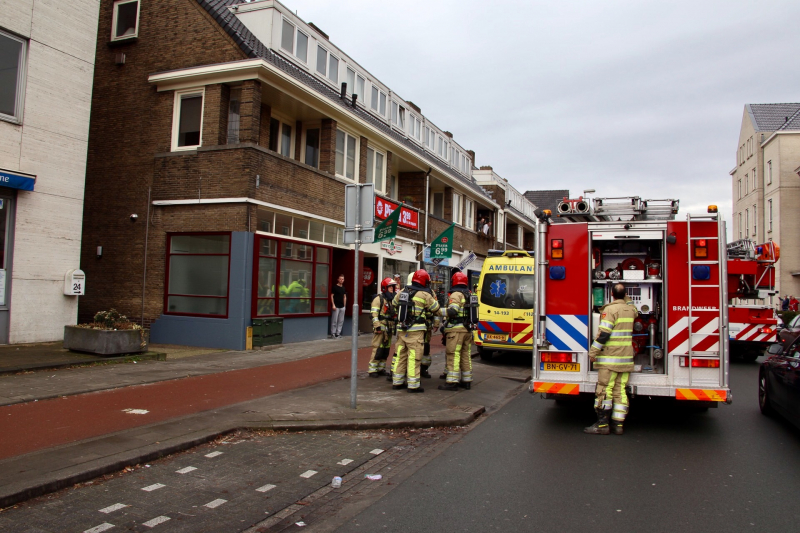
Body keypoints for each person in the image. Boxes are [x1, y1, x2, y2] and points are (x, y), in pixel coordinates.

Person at [584, 283, 637, 435]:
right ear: (625, 294)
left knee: (604, 390)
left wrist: (593, 352)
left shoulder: (610, 309)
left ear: (612, 294)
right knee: (620, 391)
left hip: (610, 359)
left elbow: (604, 334)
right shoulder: (631, 310)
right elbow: (631, 304)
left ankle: (602, 425)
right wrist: (626, 297)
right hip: (626, 358)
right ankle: (618, 425)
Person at [391, 269, 441, 393]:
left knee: (401, 356)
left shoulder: (403, 291)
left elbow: (393, 303)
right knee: (414, 357)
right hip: (416, 331)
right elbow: (437, 309)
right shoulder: (425, 295)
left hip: (402, 330)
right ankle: (413, 385)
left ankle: (397, 382)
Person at [439, 271, 474, 391]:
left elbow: (453, 311)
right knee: (465, 355)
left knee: (453, 354)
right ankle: (466, 380)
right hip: (467, 330)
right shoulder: (469, 294)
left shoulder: (456, 294)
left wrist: (438, 311)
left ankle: (452, 382)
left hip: (456, 331)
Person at [368, 278, 398, 377]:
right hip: (381, 328)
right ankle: (373, 370)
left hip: (389, 328)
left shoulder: (392, 300)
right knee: (377, 349)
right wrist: (377, 327)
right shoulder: (378, 299)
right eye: (390, 286)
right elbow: (374, 314)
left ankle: (381, 368)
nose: (392, 289)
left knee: (386, 349)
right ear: (385, 288)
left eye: (393, 287)